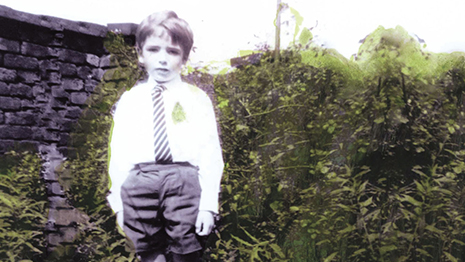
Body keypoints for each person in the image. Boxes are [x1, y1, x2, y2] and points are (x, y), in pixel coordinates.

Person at [107, 10, 224, 262]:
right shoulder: (130, 100)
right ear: (140, 54)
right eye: (154, 50)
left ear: (184, 58)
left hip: (183, 180)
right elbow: (118, 156)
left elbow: (210, 154)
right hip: (140, 180)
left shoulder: (196, 99)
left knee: (187, 248)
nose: (162, 59)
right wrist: (119, 204)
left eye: (172, 52)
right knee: (146, 251)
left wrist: (207, 206)